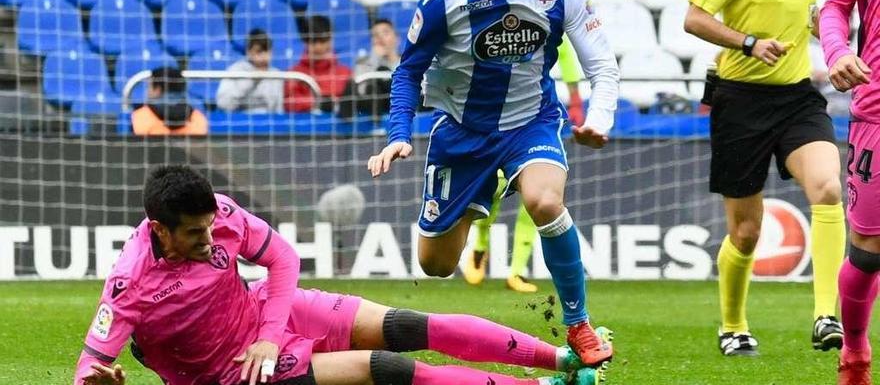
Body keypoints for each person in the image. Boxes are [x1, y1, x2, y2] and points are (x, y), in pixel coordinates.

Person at [367, 0, 619, 369]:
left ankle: (579, 325)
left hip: (531, 123)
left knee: (545, 201)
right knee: (436, 265)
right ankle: (479, 194)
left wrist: (599, 121)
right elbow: (407, 71)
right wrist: (400, 133)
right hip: (462, 134)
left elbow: (604, 68)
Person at [74, 165, 607, 385]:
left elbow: (281, 259)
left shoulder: (220, 213)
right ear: (160, 231)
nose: (212, 241)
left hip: (261, 314)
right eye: (195, 235)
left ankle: (566, 360)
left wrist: (265, 331)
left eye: (212, 227)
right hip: (234, 372)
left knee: (409, 324)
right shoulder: (129, 285)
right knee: (391, 368)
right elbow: (92, 364)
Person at [683, 0, 845, 356]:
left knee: (828, 188)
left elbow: (813, 15)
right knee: (746, 232)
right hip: (740, 100)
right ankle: (733, 326)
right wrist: (749, 42)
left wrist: (824, 28)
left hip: (796, 98)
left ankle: (825, 316)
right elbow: (693, 19)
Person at [463, 35, 588, 293]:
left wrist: (575, 98)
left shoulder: (544, 10)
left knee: (538, 197)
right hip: (495, 118)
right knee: (494, 189)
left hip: (536, 119)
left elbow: (563, 51)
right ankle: (479, 248)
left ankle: (516, 271)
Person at [819, 0, 880, 385]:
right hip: (877, 110)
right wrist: (838, 51)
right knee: (867, 249)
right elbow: (836, 5)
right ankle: (855, 351)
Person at [284, 15, 353, 114]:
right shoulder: (294, 74)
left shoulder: (346, 73)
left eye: (322, 40)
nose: (318, 47)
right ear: (305, 42)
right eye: (313, 41)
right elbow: (290, 104)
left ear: (330, 40)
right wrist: (319, 103)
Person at [339, 19, 402, 119]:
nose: (380, 38)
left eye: (385, 33)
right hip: (371, 106)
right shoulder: (363, 62)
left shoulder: (407, 64)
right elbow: (359, 88)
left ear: (397, 38)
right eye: (375, 35)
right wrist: (375, 58)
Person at [216, 29, 284, 113]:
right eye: (259, 52)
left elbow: (278, 110)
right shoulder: (235, 71)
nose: (264, 56)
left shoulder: (277, 75)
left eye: (267, 51)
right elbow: (223, 105)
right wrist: (251, 80)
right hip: (240, 121)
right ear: (249, 52)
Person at [131, 66, 208, 136]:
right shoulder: (198, 119)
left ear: (157, 89)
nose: (147, 91)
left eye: (149, 86)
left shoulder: (140, 117)